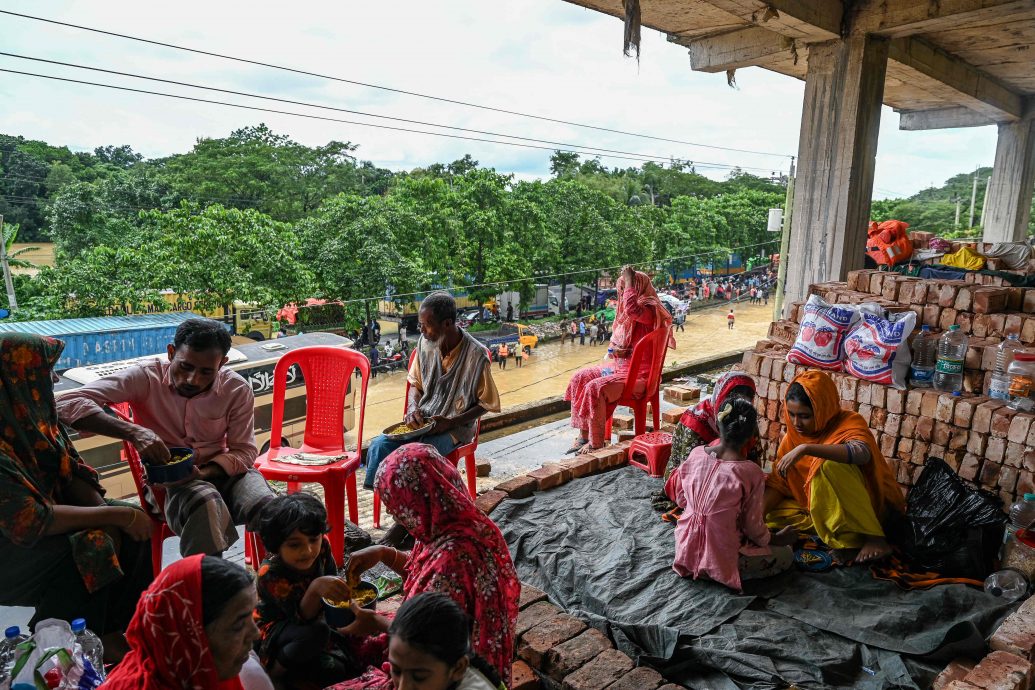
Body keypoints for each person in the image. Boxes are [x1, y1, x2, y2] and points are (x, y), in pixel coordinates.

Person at [57, 318, 274, 557]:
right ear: (171, 352)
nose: (193, 380)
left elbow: (244, 452)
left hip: (225, 473)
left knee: (270, 507)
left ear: (222, 363)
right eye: (185, 367)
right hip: (169, 485)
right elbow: (66, 402)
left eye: (206, 372)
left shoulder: (236, 389)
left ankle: (278, 581)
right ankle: (206, 583)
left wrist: (204, 473)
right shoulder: (144, 378)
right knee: (205, 502)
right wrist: (134, 432)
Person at [0, 333, 153, 659]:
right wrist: (112, 518)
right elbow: (30, 521)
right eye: (45, 369)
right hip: (10, 550)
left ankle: (113, 630)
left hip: (45, 524)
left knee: (135, 529)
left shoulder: (35, 421)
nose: (54, 378)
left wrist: (112, 517)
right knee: (91, 544)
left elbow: (69, 472)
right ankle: (54, 646)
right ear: (16, 378)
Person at [333, 446, 520, 687]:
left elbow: (427, 642)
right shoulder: (456, 524)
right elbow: (421, 570)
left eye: (397, 504)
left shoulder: (453, 563)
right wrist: (384, 554)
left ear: (423, 498)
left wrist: (378, 624)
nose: (392, 511)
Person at [362, 292, 500, 490]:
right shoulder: (424, 345)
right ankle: (389, 499)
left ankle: (414, 513)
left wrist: (451, 422)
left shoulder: (476, 356)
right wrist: (412, 407)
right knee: (379, 446)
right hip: (424, 420)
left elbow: (486, 403)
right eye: (420, 324)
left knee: (414, 457)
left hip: (456, 428)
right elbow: (415, 385)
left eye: (426, 324)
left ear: (447, 324)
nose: (421, 330)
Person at [766, 371, 904, 564]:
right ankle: (834, 528)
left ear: (822, 409)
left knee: (828, 466)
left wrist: (806, 449)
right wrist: (754, 520)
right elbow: (779, 483)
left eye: (804, 416)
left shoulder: (849, 422)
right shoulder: (792, 440)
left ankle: (874, 538)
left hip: (869, 505)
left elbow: (862, 453)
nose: (796, 423)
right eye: (792, 415)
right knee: (771, 514)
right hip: (821, 504)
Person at [672, 398, 796, 591]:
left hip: (685, 552)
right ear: (751, 436)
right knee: (787, 555)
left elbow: (681, 497)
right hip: (720, 562)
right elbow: (753, 528)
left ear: (718, 425)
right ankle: (720, 572)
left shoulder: (696, 454)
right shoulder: (750, 472)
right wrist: (778, 538)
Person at [103, 555, 269, 690]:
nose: (255, 634)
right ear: (187, 635)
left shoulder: (211, 672)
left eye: (251, 617)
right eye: (239, 625)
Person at [564, 266, 675, 454]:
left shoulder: (649, 309)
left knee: (595, 388)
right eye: (621, 289)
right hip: (619, 368)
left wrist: (630, 279)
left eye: (628, 288)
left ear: (638, 287)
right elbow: (619, 343)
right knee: (579, 377)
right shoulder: (625, 314)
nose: (623, 294)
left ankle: (595, 444)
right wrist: (618, 350)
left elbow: (633, 309)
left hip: (640, 378)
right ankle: (584, 435)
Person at [253, 493, 360, 686]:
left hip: (317, 620)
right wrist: (316, 589)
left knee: (340, 669)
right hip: (281, 629)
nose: (308, 551)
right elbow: (300, 619)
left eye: (313, 539)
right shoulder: (270, 574)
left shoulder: (323, 547)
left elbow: (333, 585)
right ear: (276, 546)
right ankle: (274, 673)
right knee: (317, 633)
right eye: (295, 545)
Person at [652, 371, 757, 512]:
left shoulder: (745, 416)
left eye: (747, 399)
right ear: (720, 396)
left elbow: (754, 457)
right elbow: (689, 474)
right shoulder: (696, 422)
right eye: (733, 398)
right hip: (691, 477)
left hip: (727, 473)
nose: (740, 405)